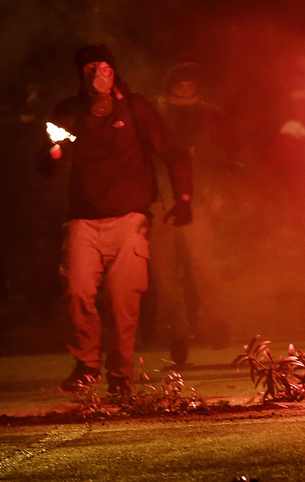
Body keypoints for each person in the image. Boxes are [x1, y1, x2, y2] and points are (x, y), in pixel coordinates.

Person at [41, 45, 193, 394]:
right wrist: (54, 154)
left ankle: (121, 373)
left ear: (114, 70)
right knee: (78, 291)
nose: (97, 74)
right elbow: (48, 164)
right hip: (84, 219)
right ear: (81, 73)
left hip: (130, 220)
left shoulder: (135, 107)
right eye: (90, 67)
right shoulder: (70, 111)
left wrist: (183, 197)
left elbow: (172, 150)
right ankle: (86, 364)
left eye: (104, 67)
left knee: (123, 299)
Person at [152, 63, 236, 362]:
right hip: (161, 200)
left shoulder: (210, 114)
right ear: (170, 87)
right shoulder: (156, 114)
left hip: (198, 199)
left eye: (190, 85)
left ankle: (217, 327)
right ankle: (177, 333)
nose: (185, 90)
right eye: (180, 85)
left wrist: (216, 194)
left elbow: (218, 157)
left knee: (204, 266)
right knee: (165, 273)